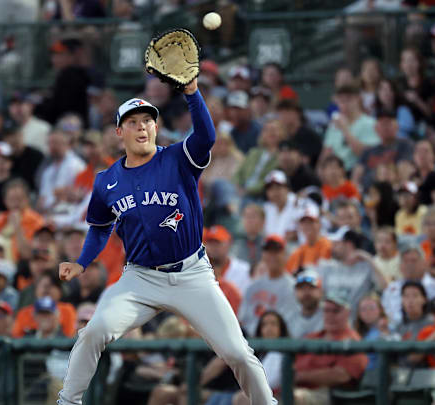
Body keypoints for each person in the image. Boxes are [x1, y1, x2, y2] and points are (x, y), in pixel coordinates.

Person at [56, 80, 276, 405]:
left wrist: (192, 94)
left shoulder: (177, 158)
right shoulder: (106, 181)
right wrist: (81, 262)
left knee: (238, 354)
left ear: (156, 126)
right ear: (120, 132)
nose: (142, 127)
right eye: (133, 122)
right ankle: (67, 402)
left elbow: (207, 137)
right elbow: (100, 227)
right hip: (140, 278)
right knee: (94, 331)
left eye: (147, 120)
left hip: (191, 274)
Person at [292, 292, 368, 405]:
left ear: (348, 313)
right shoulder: (312, 337)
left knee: (293, 397)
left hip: (330, 394)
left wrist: (300, 376)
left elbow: (341, 375)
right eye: (326, 310)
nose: (330, 315)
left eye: (336, 311)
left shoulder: (353, 341)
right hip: (295, 388)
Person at [238, 234, 299, 337]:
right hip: (250, 342)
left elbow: (285, 326)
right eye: (268, 252)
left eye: (276, 252)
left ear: (285, 255)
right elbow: (242, 320)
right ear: (263, 255)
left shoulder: (292, 287)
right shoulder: (252, 287)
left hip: (277, 344)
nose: (272, 256)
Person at [381, 242, 435, 326]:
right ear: (400, 266)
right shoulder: (391, 289)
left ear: (424, 263)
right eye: (405, 261)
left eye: (414, 261)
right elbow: (384, 316)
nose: (409, 265)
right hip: (396, 333)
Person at [202, 225, 252, 296]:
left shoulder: (244, 270)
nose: (213, 247)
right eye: (210, 242)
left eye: (217, 242)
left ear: (229, 243)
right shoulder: (201, 270)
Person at [285, 206, 331, 274]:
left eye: (311, 222)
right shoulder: (298, 251)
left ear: (319, 224)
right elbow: (288, 273)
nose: (307, 225)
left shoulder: (327, 246)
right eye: (304, 222)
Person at [288, 270, 324, 338]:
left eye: (311, 287)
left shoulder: (330, 316)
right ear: (295, 292)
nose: (306, 292)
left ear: (321, 291)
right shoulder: (289, 318)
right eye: (301, 288)